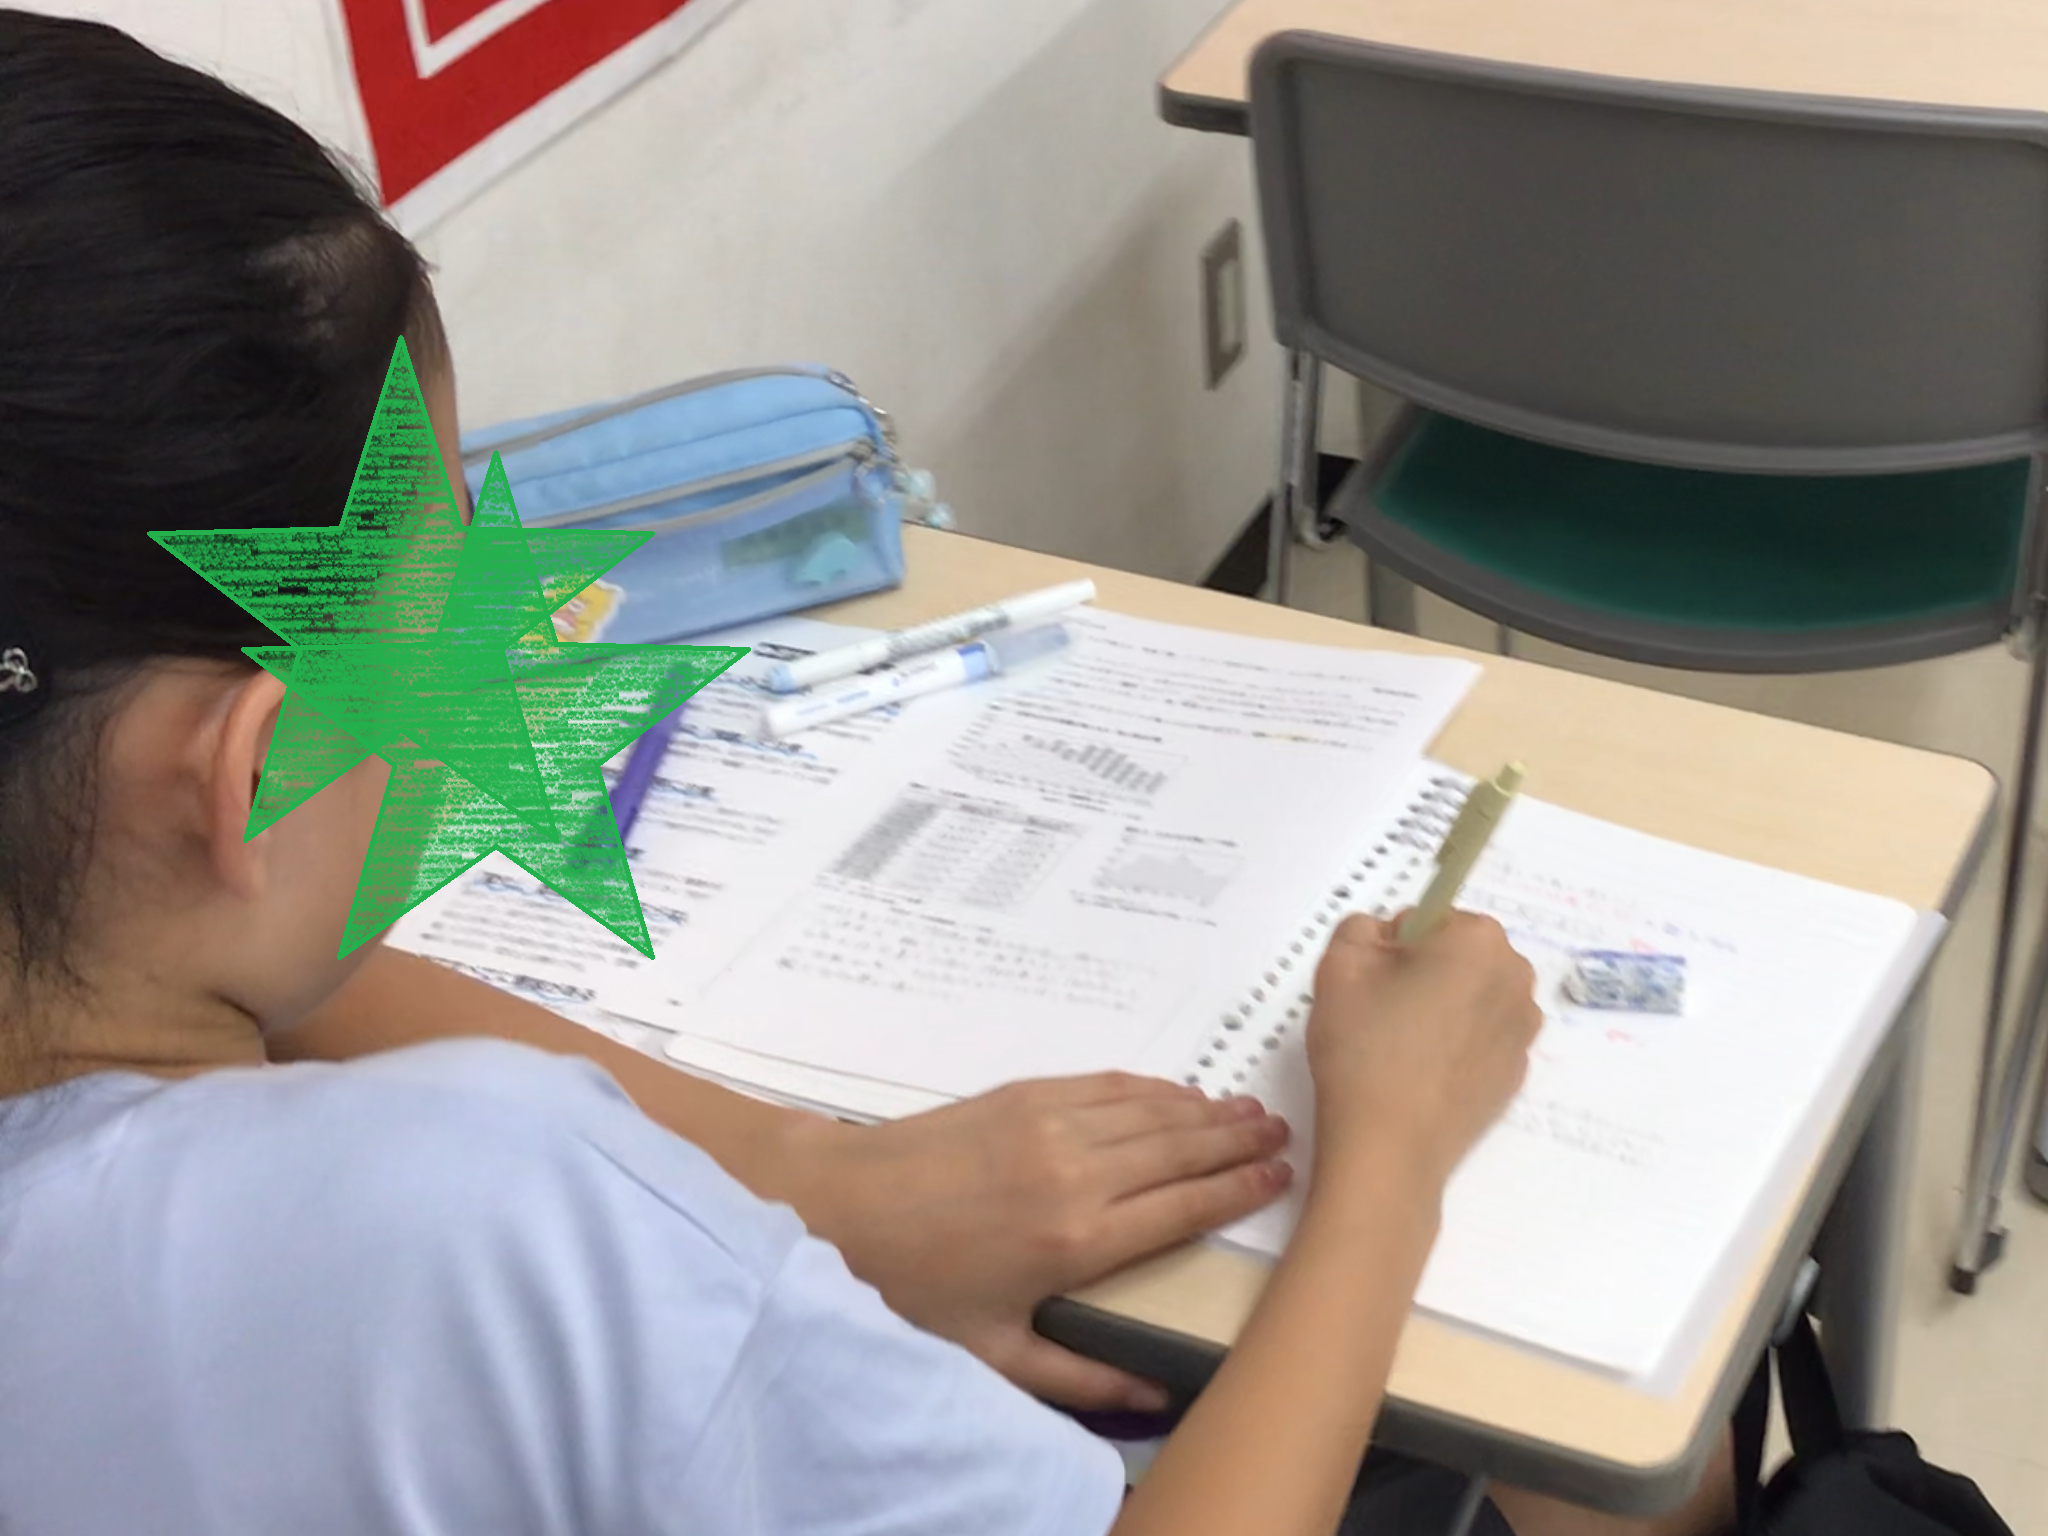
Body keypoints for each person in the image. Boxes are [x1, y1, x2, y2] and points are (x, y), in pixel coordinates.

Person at [0, 13, 1736, 1535]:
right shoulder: (481, 1213)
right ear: (246, 769)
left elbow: (255, 973)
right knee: (1626, 1445)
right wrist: (1392, 1160)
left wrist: (808, 1178)